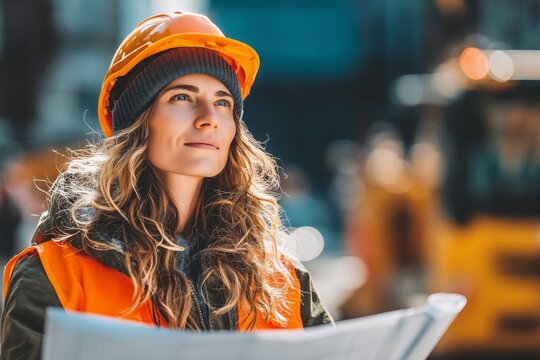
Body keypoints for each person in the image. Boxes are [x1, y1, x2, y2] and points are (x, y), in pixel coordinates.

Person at [0, 11, 333, 359]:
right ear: (138, 121)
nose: (209, 118)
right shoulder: (55, 274)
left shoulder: (282, 280)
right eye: (182, 97)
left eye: (223, 102)